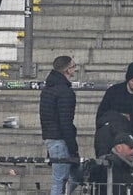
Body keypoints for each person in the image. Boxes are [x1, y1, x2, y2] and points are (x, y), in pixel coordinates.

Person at [39, 55, 80, 195]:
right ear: (68, 70)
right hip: (60, 140)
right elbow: (65, 122)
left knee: (75, 176)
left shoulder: (47, 89)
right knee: (60, 181)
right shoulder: (65, 92)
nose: (75, 69)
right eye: (74, 66)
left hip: (51, 138)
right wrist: (73, 147)